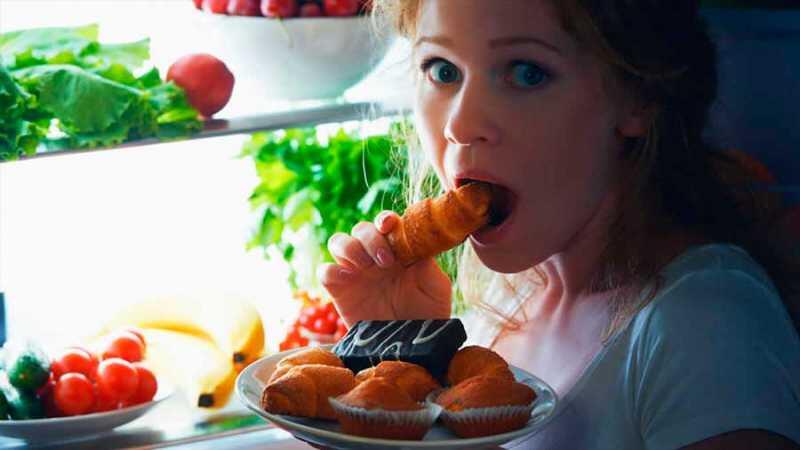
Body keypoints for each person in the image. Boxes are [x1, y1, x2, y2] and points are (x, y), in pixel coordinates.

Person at [319, 1, 800, 449]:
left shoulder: (706, 331)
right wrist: (405, 359)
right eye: (442, 70)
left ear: (638, 96)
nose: (460, 125)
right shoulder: (508, 299)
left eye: (527, 73)